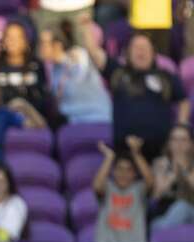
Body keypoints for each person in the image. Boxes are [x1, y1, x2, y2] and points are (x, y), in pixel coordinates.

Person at [82, 14, 191, 160]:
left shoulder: (165, 76)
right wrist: (86, 26)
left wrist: (181, 125)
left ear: (153, 53)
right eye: (137, 48)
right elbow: (94, 53)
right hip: (125, 155)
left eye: (145, 47)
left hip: (161, 152)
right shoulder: (118, 72)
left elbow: (183, 100)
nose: (141, 51)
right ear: (128, 53)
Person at [38, 21, 112, 124]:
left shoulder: (77, 55)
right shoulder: (54, 70)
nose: (40, 47)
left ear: (57, 45)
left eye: (44, 43)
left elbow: (81, 69)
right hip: (73, 124)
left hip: (98, 119)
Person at [93, 136, 153, 242]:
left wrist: (136, 154)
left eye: (128, 170)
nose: (123, 173)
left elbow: (150, 180)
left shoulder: (138, 189)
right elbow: (97, 185)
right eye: (119, 169)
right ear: (113, 171)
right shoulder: (108, 188)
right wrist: (109, 158)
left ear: (135, 174)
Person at [0, 21, 52, 122]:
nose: (12, 41)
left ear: (26, 41)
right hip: (1, 120)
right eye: (8, 37)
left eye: (17, 37)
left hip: (33, 120)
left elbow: (43, 98)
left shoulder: (36, 65)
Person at [151, 125, 194, 230]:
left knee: (181, 207)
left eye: (183, 140)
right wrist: (173, 173)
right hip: (165, 214)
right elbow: (157, 195)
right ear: (169, 143)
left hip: (191, 211)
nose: (178, 144)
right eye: (174, 139)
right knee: (155, 224)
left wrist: (184, 170)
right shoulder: (160, 163)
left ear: (190, 144)